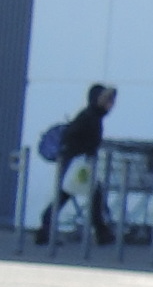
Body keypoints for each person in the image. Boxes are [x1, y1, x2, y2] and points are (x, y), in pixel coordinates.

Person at [35, 80, 117, 245]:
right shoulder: (89, 117)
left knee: (87, 196)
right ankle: (101, 233)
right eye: (108, 100)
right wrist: (84, 150)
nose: (111, 105)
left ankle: (102, 233)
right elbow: (72, 137)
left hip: (78, 162)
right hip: (77, 163)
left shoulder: (91, 116)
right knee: (76, 195)